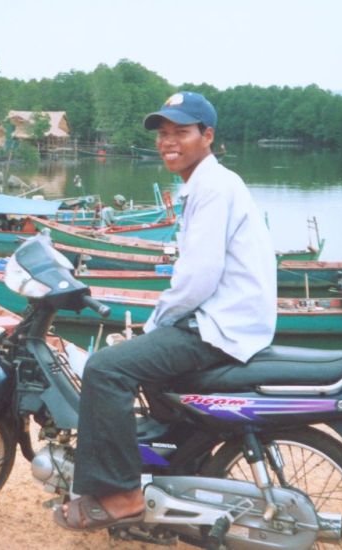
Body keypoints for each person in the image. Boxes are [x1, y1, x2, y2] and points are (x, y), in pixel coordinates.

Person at [55, 91, 277, 531]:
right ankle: (171, 470)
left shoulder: (212, 187)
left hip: (219, 326)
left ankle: (121, 496)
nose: (168, 142)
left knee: (105, 368)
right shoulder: (209, 183)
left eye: (181, 132)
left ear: (207, 135)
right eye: (163, 133)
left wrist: (155, 322)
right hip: (225, 318)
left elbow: (198, 277)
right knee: (146, 366)